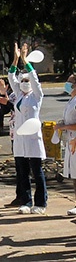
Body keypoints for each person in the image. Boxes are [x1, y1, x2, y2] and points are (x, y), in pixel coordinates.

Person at [9, 41, 47, 214]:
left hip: (32, 139)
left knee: (37, 172)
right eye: (22, 80)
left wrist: (26, 60)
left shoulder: (36, 96)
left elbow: (34, 78)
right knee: (23, 173)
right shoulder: (18, 96)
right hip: (20, 140)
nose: (24, 82)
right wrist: (16, 60)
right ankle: (26, 201)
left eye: (26, 80)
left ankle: (40, 203)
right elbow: (11, 77)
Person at [55, 72, 76, 215]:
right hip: (70, 140)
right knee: (74, 175)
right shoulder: (71, 101)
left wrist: (63, 127)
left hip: (75, 140)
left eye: (70, 82)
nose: (67, 85)